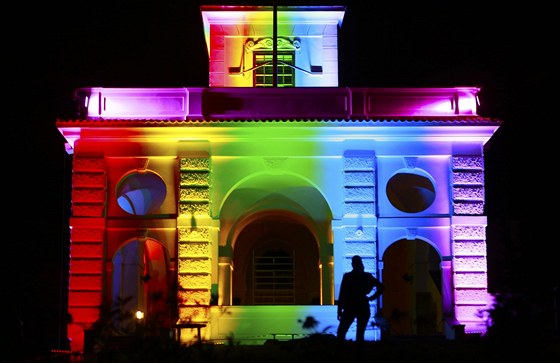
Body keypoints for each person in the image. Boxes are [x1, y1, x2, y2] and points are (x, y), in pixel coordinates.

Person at [336, 255, 385, 348]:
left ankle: (342, 354)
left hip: (351, 306)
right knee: (359, 334)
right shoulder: (366, 276)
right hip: (362, 305)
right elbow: (381, 287)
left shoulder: (348, 277)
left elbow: (342, 294)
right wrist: (371, 297)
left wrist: (339, 310)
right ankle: (358, 356)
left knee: (342, 332)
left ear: (353, 264)